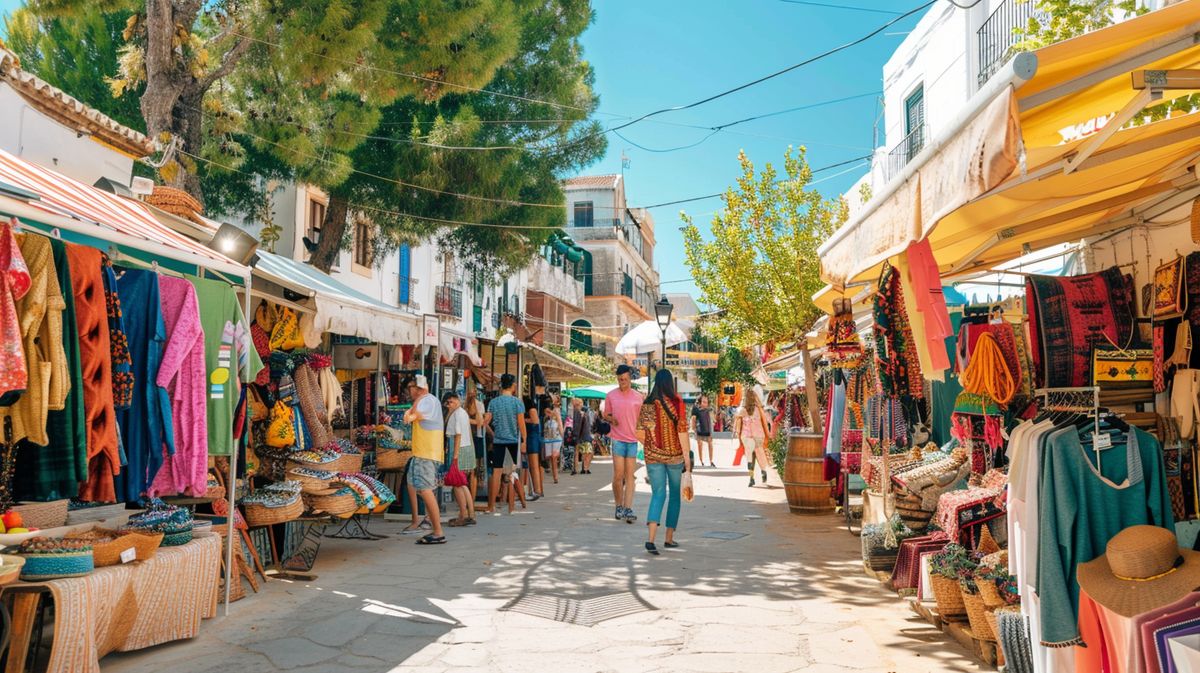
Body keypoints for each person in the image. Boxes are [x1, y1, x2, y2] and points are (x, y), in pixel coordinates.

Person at [637, 369, 691, 555]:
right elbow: (682, 433)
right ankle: (668, 538)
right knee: (675, 495)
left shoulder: (647, 404)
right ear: (670, 384)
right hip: (675, 456)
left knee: (658, 494)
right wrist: (687, 459)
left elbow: (639, 434)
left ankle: (650, 540)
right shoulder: (676, 403)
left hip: (653, 458)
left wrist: (652, 446)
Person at [402, 375, 446, 545]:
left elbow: (412, 417)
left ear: (418, 388)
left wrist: (410, 411)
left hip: (427, 453)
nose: (409, 392)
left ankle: (438, 531)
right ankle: (429, 524)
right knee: (419, 487)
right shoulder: (426, 400)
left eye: (411, 388)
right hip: (422, 452)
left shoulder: (427, 400)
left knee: (426, 490)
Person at [604, 364, 642, 523]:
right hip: (618, 439)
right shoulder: (611, 396)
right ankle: (618, 506)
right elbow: (605, 414)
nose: (622, 382)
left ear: (630, 378)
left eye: (625, 379)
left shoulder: (638, 397)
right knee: (618, 475)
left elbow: (641, 420)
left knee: (630, 476)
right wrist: (612, 419)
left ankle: (628, 508)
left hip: (632, 440)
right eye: (620, 380)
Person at [487, 374, 526, 514]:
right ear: (513, 385)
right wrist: (524, 441)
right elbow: (521, 425)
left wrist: (493, 433)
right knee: (511, 474)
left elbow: (486, 422)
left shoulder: (493, 402)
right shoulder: (517, 403)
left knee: (496, 473)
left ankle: (491, 506)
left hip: (498, 441)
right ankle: (511, 507)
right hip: (512, 441)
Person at [443, 392, 476, 527]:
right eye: (448, 402)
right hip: (464, 448)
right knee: (461, 483)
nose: (451, 404)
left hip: (458, 449)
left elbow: (458, 435)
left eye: (453, 401)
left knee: (458, 484)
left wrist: (455, 456)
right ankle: (470, 513)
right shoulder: (460, 412)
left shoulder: (458, 414)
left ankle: (463, 514)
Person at [736, 386, 774, 487]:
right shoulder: (759, 409)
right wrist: (769, 432)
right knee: (760, 454)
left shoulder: (743, 410)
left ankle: (751, 478)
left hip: (747, 436)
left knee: (750, 457)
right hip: (758, 435)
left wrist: (738, 436)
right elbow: (767, 421)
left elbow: (738, 424)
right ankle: (763, 471)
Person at [465, 388, 489, 512]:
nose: (471, 394)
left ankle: (471, 500)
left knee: (473, 471)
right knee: (467, 471)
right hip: (468, 439)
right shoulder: (463, 405)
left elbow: (480, 423)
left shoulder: (479, 405)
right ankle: (468, 500)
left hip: (474, 438)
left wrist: (467, 419)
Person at [523, 395, 545, 500]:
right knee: (534, 466)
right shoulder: (533, 409)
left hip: (532, 439)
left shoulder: (531, 409)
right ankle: (538, 489)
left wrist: (522, 419)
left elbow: (535, 421)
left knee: (534, 466)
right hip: (533, 438)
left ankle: (537, 490)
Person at [569, 397, 594, 475]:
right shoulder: (579, 413)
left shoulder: (576, 412)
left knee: (578, 452)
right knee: (585, 452)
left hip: (578, 435)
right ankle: (582, 468)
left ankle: (577, 469)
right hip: (581, 435)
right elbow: (578, 425)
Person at [691, 394, 715, 467]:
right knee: (700, 444)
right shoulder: (695, 409)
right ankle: (701, 461)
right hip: (699, 429)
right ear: (700, 402)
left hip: (707, 429)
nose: (705, 404)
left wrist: (711, 431)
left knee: (710, 444)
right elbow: (693, 419)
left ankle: (711, 461)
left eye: (706, 402)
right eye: (704, 402)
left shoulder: (708, 409)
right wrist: (694, 428)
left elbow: (710, 420)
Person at [542, 405, 563, 484]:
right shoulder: (545, 417)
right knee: (550, 457)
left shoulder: (556, 411)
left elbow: (560, 424)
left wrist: (562, 436)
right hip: (548, 439)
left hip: (557, 438)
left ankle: (556, 477)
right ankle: (554, 474)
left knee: (554, 456)